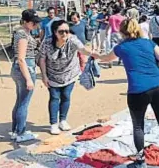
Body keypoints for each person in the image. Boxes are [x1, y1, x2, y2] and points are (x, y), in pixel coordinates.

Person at [95, 19, 159, 168]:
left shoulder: (121, 47)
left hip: (138, 90)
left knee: (138, 126)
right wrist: (158, 71)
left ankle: (140, 161)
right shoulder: (149, 43)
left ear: (122, 32)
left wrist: (95, 56)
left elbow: (106, 58)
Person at [39, 20, 97, 135]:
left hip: (70, 73)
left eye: (67, 31)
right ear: (55, 32)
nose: (65, 34)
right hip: (53, 75)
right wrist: (44, 76)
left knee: (66, 96)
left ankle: (63, 120)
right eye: (61, 32)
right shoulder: (47, 42)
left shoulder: (73, 40)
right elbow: (42, 59)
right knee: (54, 98)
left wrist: (95, 53)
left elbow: (83, 50)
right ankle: (53, 123)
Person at [11, 9, 42, 143]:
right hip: (25, 68)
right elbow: (21, 58)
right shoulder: (22, 35)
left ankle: (15, 130)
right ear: (25, 21)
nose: (35, 25)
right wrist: (28, 78)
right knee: (24, 103)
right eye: (33, 22)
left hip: (20, 69)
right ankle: (20, 132)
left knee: (19, 101)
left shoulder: (24, 33)